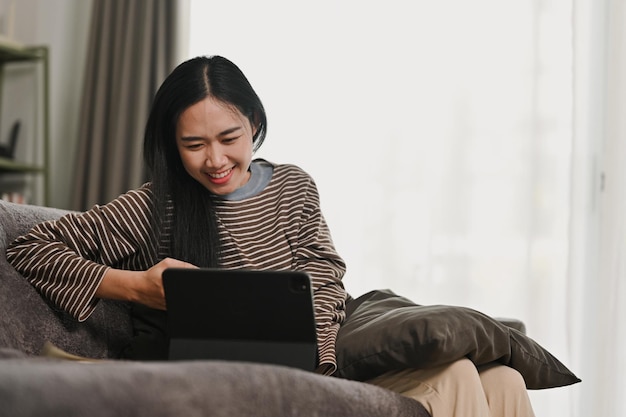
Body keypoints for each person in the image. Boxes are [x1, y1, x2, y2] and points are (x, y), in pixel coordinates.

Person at [6, 55, 535, 416]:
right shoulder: (157, 205)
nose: (215, 160)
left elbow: (325, 282)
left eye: (228, 138)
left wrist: (323, 375)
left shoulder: (292, 186)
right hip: (237, 373)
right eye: (194, 144)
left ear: (254, 123)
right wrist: (138, 287)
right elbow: (29, 248)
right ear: (172, 145)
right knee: (462, 378)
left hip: (330, 361)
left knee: (503, 380)